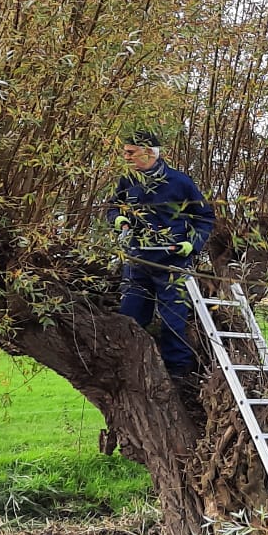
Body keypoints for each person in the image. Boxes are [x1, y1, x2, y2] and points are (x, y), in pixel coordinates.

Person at [108, 131, 215, 376]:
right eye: (125, 152)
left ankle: (178, 374)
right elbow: (113, 207)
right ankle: (126, 370)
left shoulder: (180, 182)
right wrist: (118, 219)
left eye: (131, 152)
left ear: (148, 152)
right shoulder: (127, 180)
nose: (126, 157)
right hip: (137, 261)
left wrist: (192, 244)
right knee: (129, 318)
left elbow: (205, 217)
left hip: (172, 263)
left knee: (173, 322)